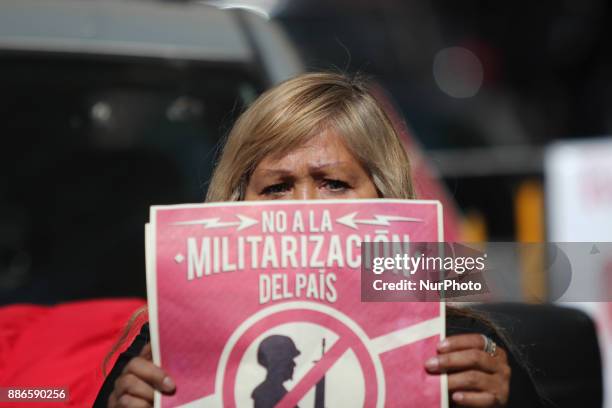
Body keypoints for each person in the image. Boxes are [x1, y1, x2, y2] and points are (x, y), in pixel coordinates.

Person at [95, 72, 543, 407]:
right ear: (235, 206)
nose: (304, 206)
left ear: (387, 199)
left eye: (333, 183)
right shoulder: (168, 349)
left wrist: (509, 397)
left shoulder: (453, 347)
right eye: (276, 187)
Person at [252, 335, 300, 408]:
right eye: (290, 360)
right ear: (279, 363)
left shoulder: (278, 392)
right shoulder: (265, 394)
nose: (294, 364)